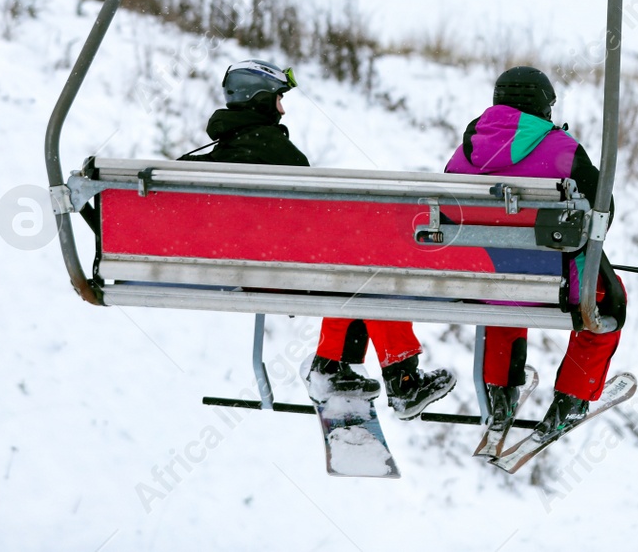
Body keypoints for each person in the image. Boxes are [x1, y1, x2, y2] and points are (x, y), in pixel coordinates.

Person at [182, 59, 454, 417]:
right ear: (260, 99)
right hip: (278, 270)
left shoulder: (221, 153)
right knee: (373, 270)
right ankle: (401, 381)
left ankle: (332, 368)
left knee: (357, 272)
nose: (282, 108)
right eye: (278, 98)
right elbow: (315, 214)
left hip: (242, 268)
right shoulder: (272, 148)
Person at [445, 66, 626, 449]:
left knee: (504, 292)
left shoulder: (464, 153)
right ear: (544, 107)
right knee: (609, 302)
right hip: (553, 285)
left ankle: (500, 392)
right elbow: (601, 214)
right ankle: (572, 397)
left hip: (480, 281)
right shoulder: (563, 150)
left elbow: (448, 214)